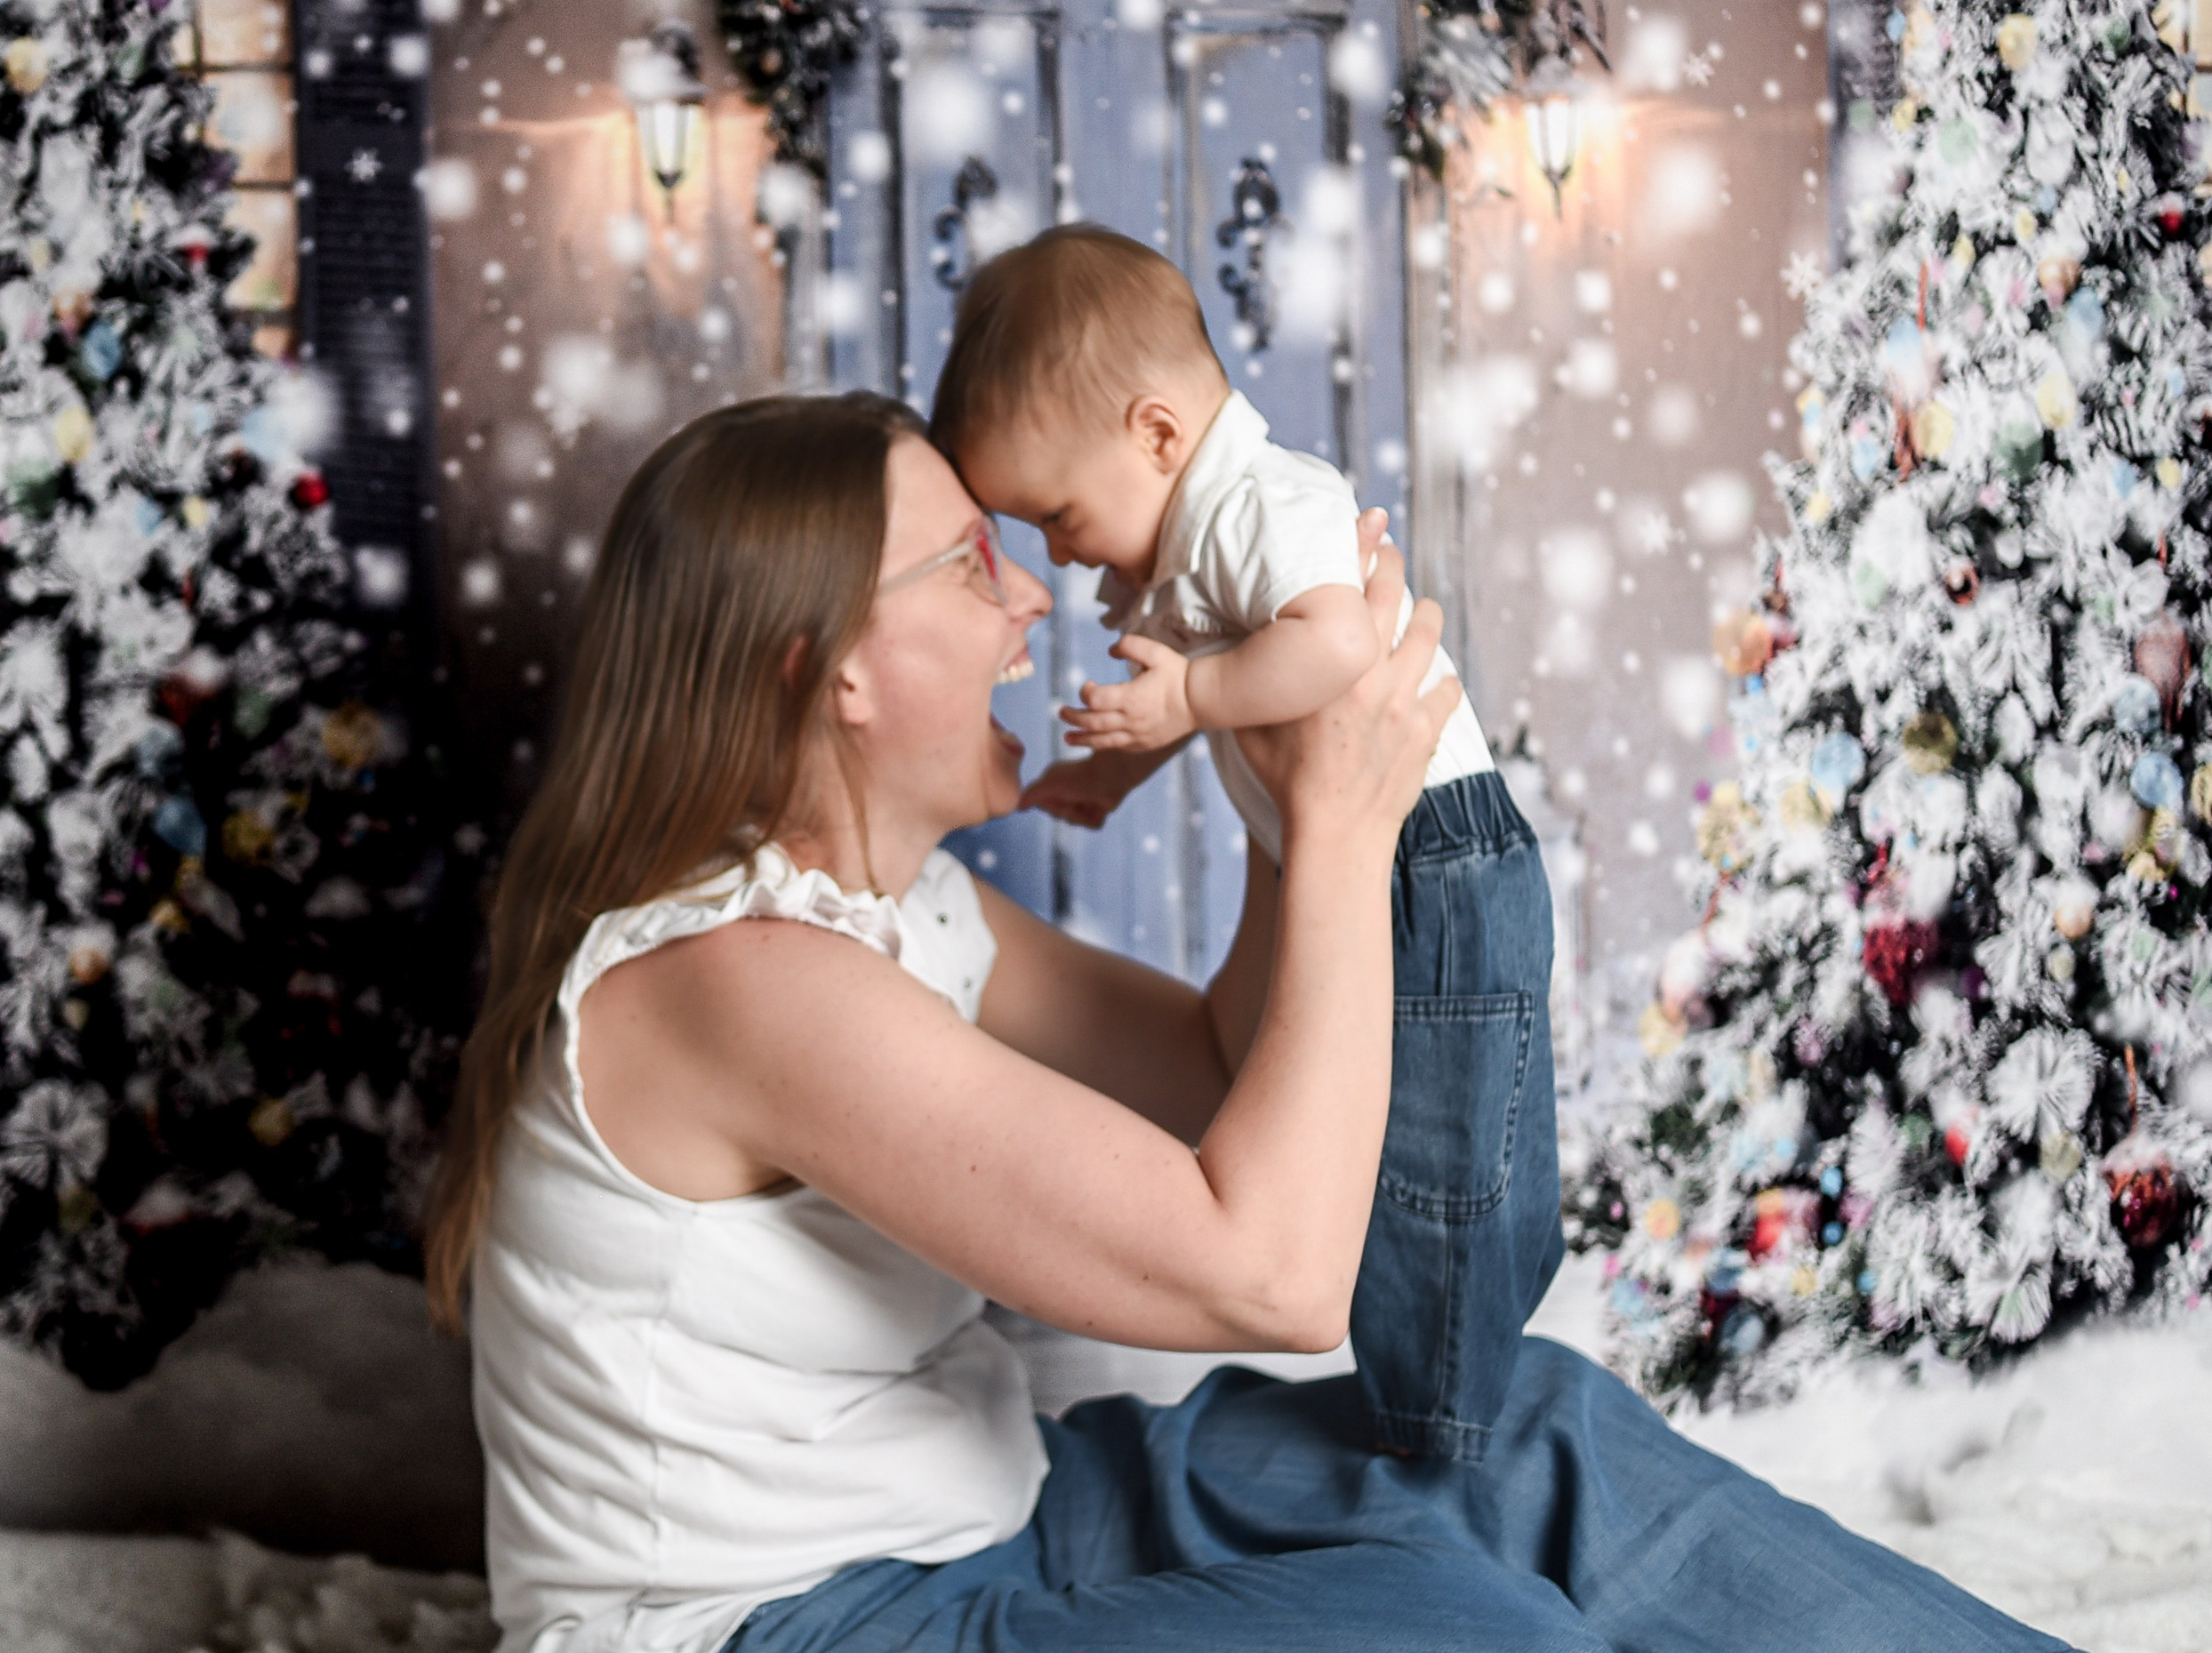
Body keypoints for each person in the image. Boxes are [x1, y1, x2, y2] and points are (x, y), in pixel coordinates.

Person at [422, 391, 2070, 1653]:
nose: (1029, 607)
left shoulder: (905, 911)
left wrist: (1281, 782)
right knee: (1459, 1626)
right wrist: (1351, 837)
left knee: (1522, 1439)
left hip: (1012, 1513)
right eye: (968, 566)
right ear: (832, 670)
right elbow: (1271, 1278)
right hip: (786, 1627)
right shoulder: (737, 981)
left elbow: (1221, 1072)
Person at [931, 223, 1548, 1461]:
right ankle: (1442, 1386)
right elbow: (1220, 677)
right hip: (1381, 847)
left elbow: (1332, 646)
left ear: (1157, 435)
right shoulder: (1182, 535)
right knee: (1415, 1139)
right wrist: (1115, 773)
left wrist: (1188, 704)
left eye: (1056, 517)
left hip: (1440, 855)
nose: (1058, 556)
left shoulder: (1266, 503)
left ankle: (1448, 1423)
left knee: (1441, 1152)